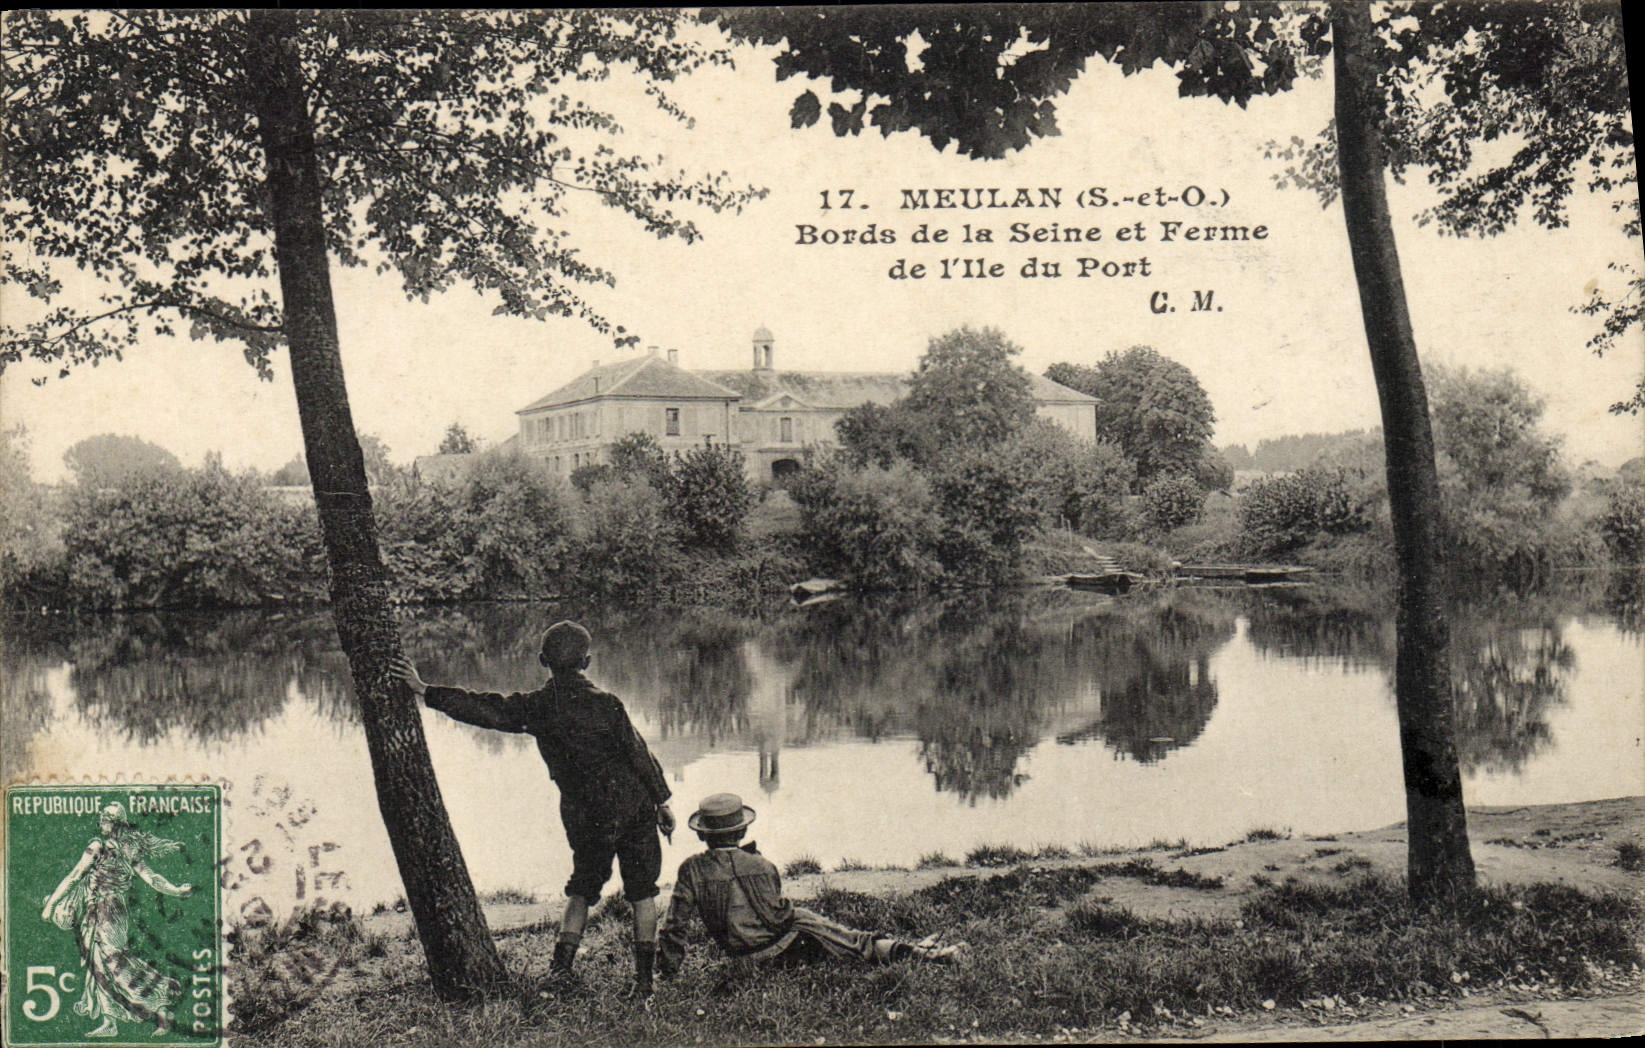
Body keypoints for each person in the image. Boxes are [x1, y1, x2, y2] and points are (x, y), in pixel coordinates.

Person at [391, 620, 675, 998]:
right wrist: (662, 801)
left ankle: (560, 971)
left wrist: (426, 690)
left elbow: (484, 709)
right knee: (643, 893)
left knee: (582, 888)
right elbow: (638, 754)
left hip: (585, 815)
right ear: (587, 662)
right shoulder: (608, 704)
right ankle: (644, 983)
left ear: (543, 660)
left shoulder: (538, 708)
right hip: (633, 808)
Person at [657, 793, 964, 980]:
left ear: (702, 835)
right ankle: (920, 954)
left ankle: (912, 950)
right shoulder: (761, 865)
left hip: (740, 956)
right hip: (781, 947)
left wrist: (668, 972)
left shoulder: (690, 870)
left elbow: (674, 928)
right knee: (848, 939)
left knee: (833, 939)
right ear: (743, 829)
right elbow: (777, 912)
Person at [40, 802, 193, 1039]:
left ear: (112, 823)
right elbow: (152, 879)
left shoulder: (97, 846)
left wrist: (50, 906)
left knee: (113, 963)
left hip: (104, 909)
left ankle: (161, 1005)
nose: (100, 823)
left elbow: (74, 876)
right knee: (99, 963)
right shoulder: (129, 849)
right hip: (114, 909)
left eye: (104, 819)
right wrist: (176, 890)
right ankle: (110, 1021)